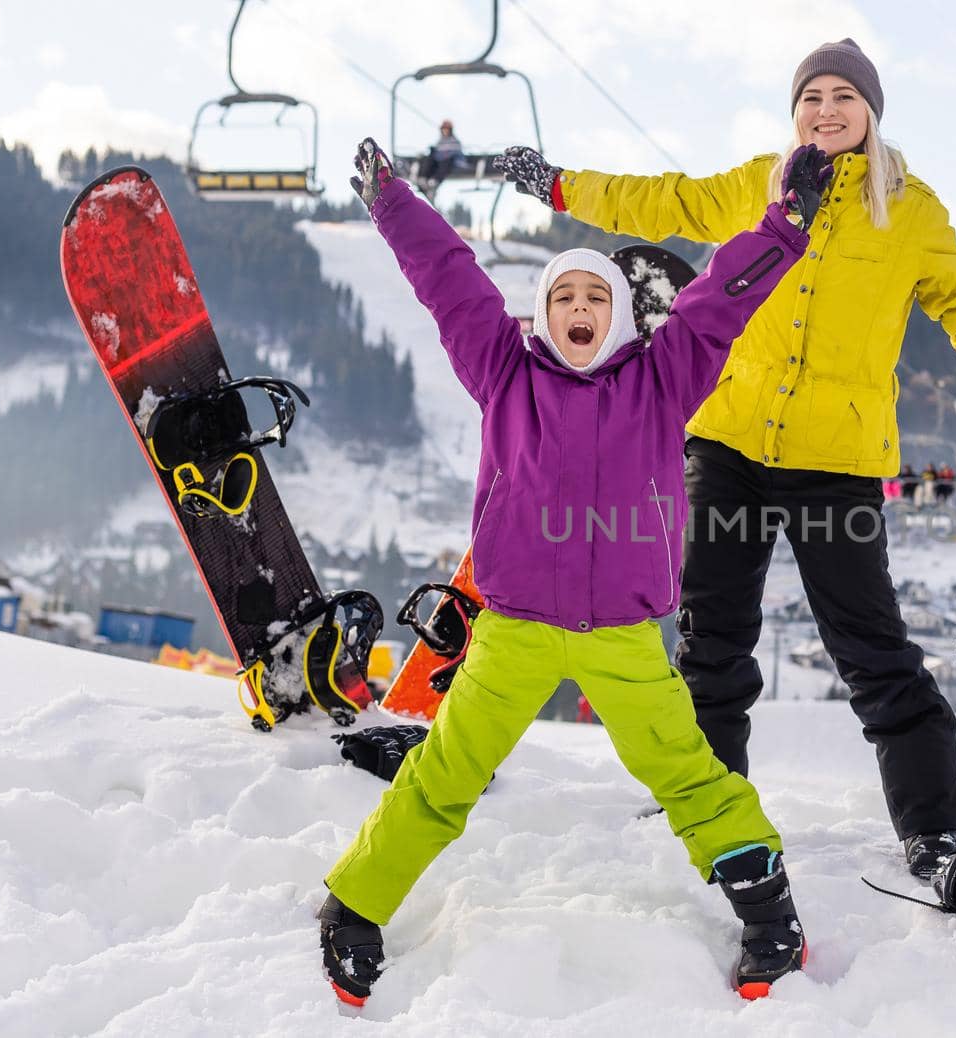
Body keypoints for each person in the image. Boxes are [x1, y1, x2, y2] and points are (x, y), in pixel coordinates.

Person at [495, 39, 956, 879]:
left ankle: (932, 830)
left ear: (871, 112)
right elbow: (661, 201)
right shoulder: (759, 184)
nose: (827, 110)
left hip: (837, 462)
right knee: (711, 642)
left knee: (872, 649)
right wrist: (559, 184)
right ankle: (704, 804)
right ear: (795, 113)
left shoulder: (912, 213)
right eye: (812, 97)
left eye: (843, 97)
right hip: (729, 443)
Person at [317, 137, 833, 1006]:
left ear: (625, 317)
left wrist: (784, 225)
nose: (581, 306)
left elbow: (718, 301)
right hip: (512, 631)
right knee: (446, 770)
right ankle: (354, 904)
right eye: (564, 296)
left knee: (688, 773)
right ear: (543, 316)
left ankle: (769, 913)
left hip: (622, 640)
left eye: (598, 294)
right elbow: (453, 285)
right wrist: (392, 204)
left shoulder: (665, 381)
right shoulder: (504, 374)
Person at [416, 119, 464, 189]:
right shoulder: (440, 141)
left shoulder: (455, 141)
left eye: (447, 129)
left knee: (446, 162)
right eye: (444, 129)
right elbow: (437, 154)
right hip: (438, 161)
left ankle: (435, 180)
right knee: (430, 158)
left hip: (448, 162)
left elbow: (458, 155)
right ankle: (423, 178)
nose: (445, 131)